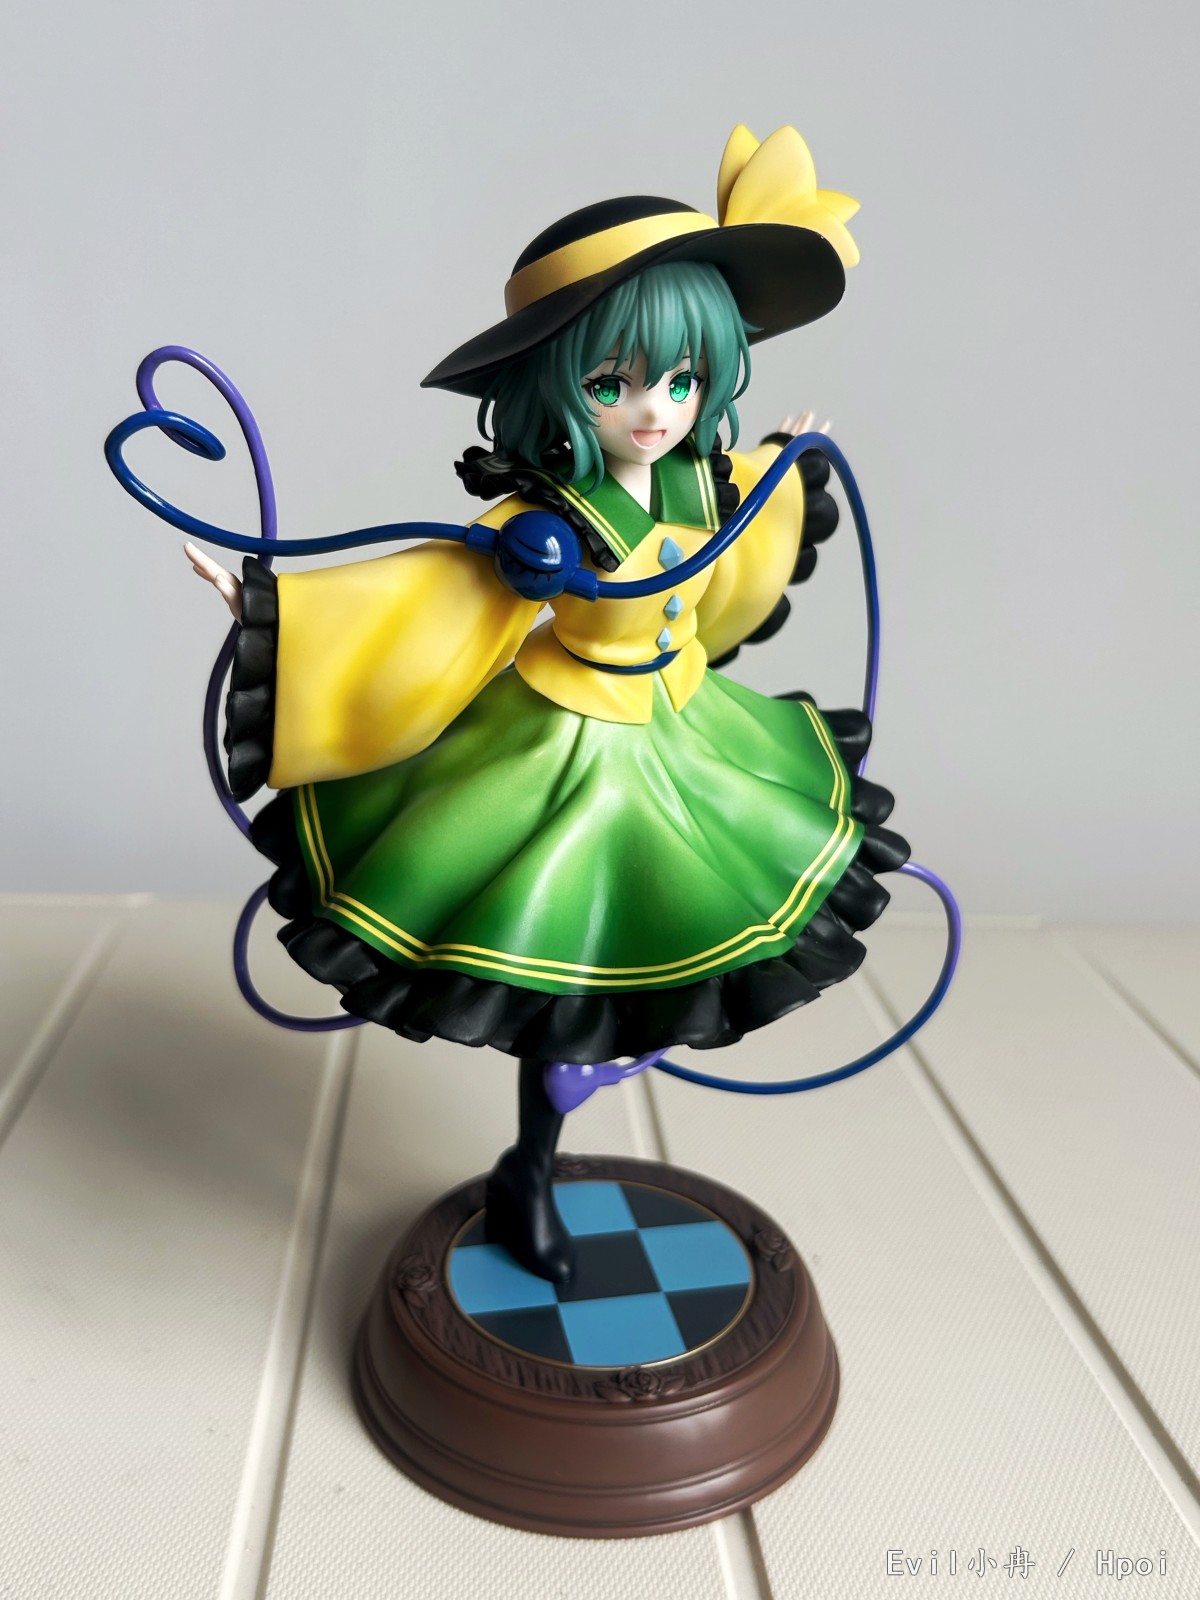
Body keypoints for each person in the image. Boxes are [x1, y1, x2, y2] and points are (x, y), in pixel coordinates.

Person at [187, 126, 909, 1285]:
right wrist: (274, 610)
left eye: (684, 380)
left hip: (685, 733)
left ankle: (563, 1120)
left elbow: (732, 546)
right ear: (557, 386)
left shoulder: (693, 478)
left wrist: (784, 467)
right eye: (614, 383)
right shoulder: (546, 520)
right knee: (555, 964)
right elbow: (432, 595)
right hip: (564, 753)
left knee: (696, 947)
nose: (655, 408)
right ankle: (532, 1164)